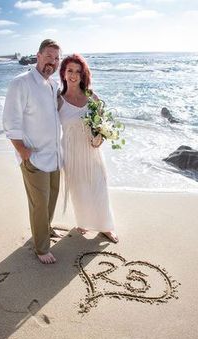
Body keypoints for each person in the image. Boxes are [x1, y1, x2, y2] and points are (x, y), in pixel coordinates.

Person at [3, 39, 62, 264]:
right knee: (39, 202)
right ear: (38, 56)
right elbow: (10, 119)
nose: (53, 62)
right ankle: (41, 248)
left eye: (56, 58)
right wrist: (22, 150)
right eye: (48, 56)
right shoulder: (21, 83)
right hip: (34, 156)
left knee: (51, 198)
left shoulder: (53, 85)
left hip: (55, 154)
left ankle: (45, 230)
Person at [58, 54, 118, 243]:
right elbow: (47, 126)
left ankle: (106, 227)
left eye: (78, 71)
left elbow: (103, 126)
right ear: (64, 73)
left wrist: (99, 139)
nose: (74, 75)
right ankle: (83, 222)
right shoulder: (58, 99)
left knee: (99, 186)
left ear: (83, 74)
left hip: (92, 150)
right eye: (70, 71)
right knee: (79, 189)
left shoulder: (92, 97)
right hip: (70, 151)